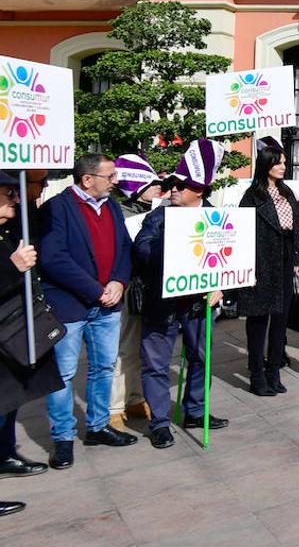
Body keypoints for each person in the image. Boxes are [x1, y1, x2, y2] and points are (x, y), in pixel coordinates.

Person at [39, 153, 137, 469]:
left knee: (103, 367)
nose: (116, 181)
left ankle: (97, 427)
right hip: (70, 306)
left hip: (108, 305)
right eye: (110, 176)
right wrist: (96, 290)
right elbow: (54, 259)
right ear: (87, 179)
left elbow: (124, 247)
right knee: (64, 374)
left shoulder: (110, 205)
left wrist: (119, 282)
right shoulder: (57, 208)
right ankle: (63, 438)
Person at [134, 140, 229, 448]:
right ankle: (160, 423)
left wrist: (220, 286)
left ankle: (195, 411)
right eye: (170, 183)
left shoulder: (218, 218)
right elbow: (142, 250)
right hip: (162, 305)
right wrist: (172, 244)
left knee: (202, 358)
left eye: (179, 185)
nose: (171, 189)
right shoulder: (159, 217)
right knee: (156, 364)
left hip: (199, 305)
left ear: (199, 190)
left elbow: (231, 259)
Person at [0, 172, 60, 516]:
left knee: (9, 404)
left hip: (10, 340)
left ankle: (4, 454)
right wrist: (12, 268)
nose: (16, 199)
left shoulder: (11, 227)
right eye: (9, 192)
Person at [239, 144, 299, 396]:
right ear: (266, 164)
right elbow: (243, 233)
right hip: (261, 261)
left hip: (285, 260)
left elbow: (296, 227)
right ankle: (257, 374)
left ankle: (274, 370)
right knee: (258, 321)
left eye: (284, 163)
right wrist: (249, 267)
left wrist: (296, 257)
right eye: (278, 163)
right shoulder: (252, 196)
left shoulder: (287, 192)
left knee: (280, 319)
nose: (283, 167)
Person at [109, 153, 161, 428]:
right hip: (129, 288)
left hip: (151, 287)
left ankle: (136, 398)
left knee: (145, 347)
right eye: (152, 184)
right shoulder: (119, 213)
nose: (158, 188)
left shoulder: (155, 212)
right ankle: (115, 406)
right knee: (124, 349)